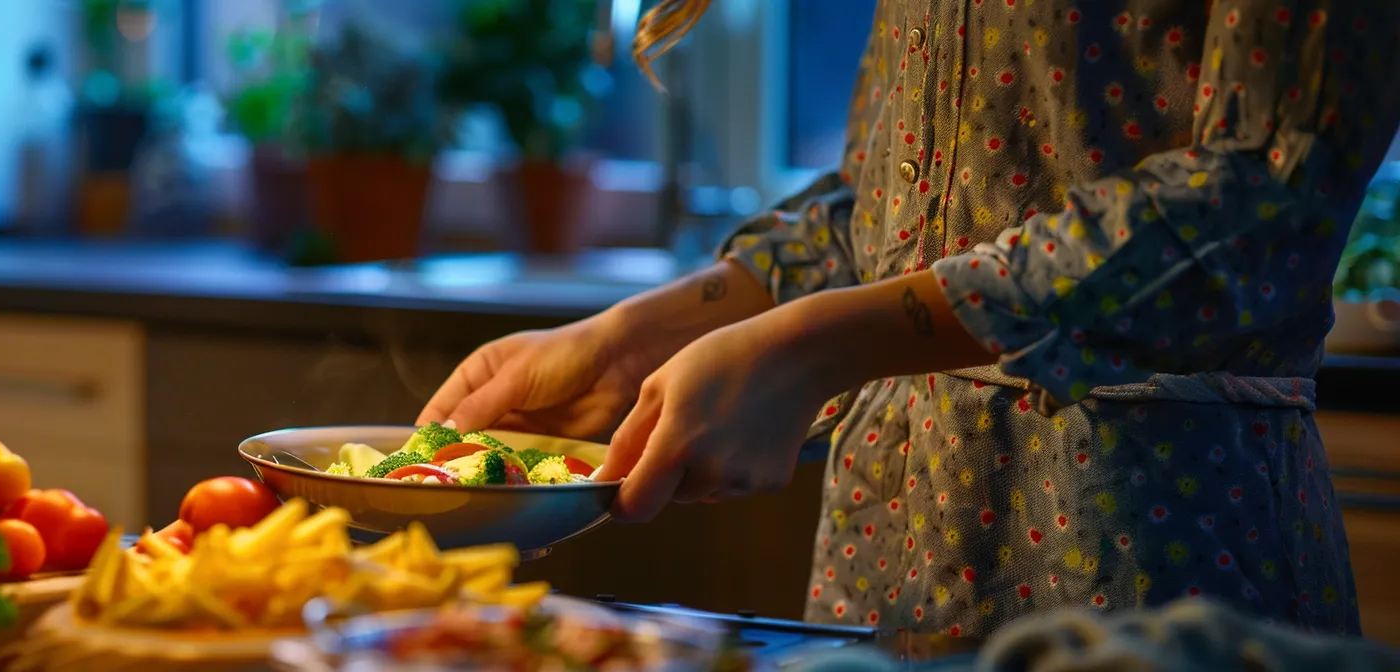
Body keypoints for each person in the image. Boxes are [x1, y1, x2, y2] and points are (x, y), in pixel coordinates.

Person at [420, 0, 1400, 637]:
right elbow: (898, 199)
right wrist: (640, 334)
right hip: (886, 554)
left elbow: (1264, 195)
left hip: (1148, 554)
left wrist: (818, 343)